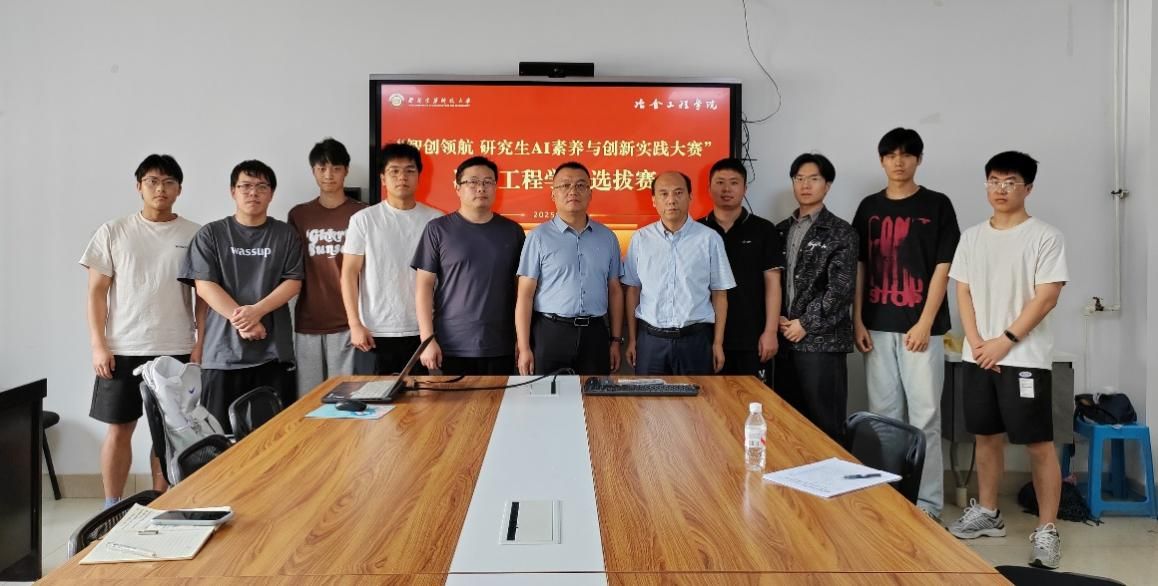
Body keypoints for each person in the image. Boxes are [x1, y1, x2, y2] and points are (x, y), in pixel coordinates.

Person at [946, 151, 1068, 570]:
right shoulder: (971, 237)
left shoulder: (1045, 236)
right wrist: (978, 342)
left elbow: (1047, 297)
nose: (1000, 189)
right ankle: (988, 512)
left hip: (1024, 356)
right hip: (979, 355)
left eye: (1010, 181)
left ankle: (1047, 528)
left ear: (1028, 188)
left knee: (1038, 443)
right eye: (994, 180)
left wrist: (1005, 341)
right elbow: (962, 291)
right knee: (985, 436)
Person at [79, 154, 203, 508]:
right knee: (119, 428)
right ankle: (111, 505)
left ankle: (161, 503)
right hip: (123, 347)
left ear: (179, 189)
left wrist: (200, 343)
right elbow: (96, 293)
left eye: (168, 182)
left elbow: (203, 297)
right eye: (152, 181)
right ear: (139, 186)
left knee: (168, 431)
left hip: (175, 346)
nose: (160, 188)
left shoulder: (194, 234)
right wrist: (98, 345)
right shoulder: (113, 231)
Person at [852, 128, 960, 520]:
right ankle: (888, 498)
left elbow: (944, 267)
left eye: (906, 154)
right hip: (877, 326)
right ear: (881, 160)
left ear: (919, 159)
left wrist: (925, 322)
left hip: (921, 330)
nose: (898, 162)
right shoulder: (868, 207)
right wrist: (857, 319)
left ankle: (927, 504)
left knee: (925, 416)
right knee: (883, 418)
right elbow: (860, 266)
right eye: (891, 155)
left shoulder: (937, 204)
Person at [180, 160, 303, 430]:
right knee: (222, 438)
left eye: (261, 187)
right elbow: (204, 286)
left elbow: (293, 282)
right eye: (245, 186)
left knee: (274, 437)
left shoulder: (285, 235)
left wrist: (256, 312)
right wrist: (244, 322)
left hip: (273, 355)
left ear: (271, 193)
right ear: (232, 191)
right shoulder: (211, 234)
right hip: (222, 356)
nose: (253, 193)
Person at [412, 156, 525, 375]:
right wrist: (427, 339)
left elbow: (522, 291)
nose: (481, 188)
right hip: (451, 344)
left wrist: (522, 341)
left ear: (496, 187)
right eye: (472, 182)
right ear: (457, 188)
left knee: (500, 397)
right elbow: (424, 287)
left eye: (488, 182)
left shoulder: (513, 232)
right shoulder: (437, 230)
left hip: (501, 343)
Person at [773, 153, 857, 442]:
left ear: (827, 185)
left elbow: (841, 289)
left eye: (813, 179)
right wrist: (777, 318)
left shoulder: (841, 231)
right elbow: (773, 282)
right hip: (784, 340)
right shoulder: (780, 230)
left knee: (825, 426)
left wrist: (805, 323)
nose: (805, 185)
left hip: (822, 343)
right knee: (786, 425)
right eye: (799, 179)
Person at [342, 143, 442, 375]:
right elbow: (349, 274)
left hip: (421, 330)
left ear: (419, 176)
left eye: (409, 170)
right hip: (374, 332)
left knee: (421, 396)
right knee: (372, 396)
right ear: (383, 178)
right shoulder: (363, 219)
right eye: (394, 171)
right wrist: (354, 324)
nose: (402, 177)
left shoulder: (435, 220)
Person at [515, 161, 624, 375]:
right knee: (548, 394)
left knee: (595, 394)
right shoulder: (538, 237)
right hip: (550, 332)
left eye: (581, 185)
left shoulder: (607, 237)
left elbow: (615, 290)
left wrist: (616, 340)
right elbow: (525, 295)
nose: (573, 191)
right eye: (565, 185)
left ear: (590, 193)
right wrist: (524, 347)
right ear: (553, 194)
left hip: (595, 334)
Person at [622, 171, 735, 375]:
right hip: (650, 341)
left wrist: (718, 343)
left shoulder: (709, 239)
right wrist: (632, 339)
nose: (671, 200)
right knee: (648, 396)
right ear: (654, 200)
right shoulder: (640, 239)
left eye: (678, 193)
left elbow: (720, 294)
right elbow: (632, 291)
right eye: (664, 194)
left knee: (698, 396)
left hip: (696, 340)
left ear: (690, 197)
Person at [287, 138, 366, 395]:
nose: (329, 175)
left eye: (336, 168)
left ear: (346, 171)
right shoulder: (299, 215)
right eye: (322, 168)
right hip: (308, 320)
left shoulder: (363, 214)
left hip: (349, 321)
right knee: (308, 398)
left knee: (347, 397)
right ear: (313, 171)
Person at [698, 157, 784, 382]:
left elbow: (773, 284)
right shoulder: (696, 230)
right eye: (720, 182)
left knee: (752, 400)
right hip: (705, 338)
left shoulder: (764, 230)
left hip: (752, 338)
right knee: (709, 400)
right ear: (708, 188)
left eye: (734, 182)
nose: (726, 189)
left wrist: (770, 332)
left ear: (745, 188)